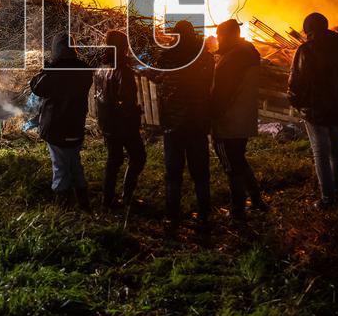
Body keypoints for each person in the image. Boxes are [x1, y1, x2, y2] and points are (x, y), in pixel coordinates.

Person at [287, 12, 338, 208]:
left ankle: (328, 199)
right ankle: (337, 192)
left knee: (321, 153)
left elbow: (296, 82)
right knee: (336, 152)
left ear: (308, 30)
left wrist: (298, 103)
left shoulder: (306, 50)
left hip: (316, 110)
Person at [153, 20, 215, 224]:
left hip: (173, 123)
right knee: (201, 173)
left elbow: (157, 77)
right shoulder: (205, 58)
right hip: (198, 122)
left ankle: (172, 217)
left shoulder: (167, 58)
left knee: (173, 173)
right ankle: (205, 215)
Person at [210, 19, 267, 220]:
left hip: (229, 122)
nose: (217, 40)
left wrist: (212, 117)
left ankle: (237, 210)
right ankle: (257, 199)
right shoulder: (248, 53)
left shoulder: (231, 60)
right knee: (239, 161)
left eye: (219, 36)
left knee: (232, 166)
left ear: (226, 35)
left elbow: (221, 94)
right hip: (243, 119)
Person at [30, 33, 95, 209]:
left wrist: (46, 69)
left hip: (56, 128)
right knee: (74, 163)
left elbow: (36, 87)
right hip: (76, 127)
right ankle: (83, 203)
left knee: (59, 167)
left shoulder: (53, 71)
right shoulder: (84, 69)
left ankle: (63, 207)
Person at [93, 30, 146, 210]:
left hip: (107, 123)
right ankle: (127, 197)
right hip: (123, 125)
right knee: (138, 157)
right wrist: (136, 113)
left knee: (113, 160)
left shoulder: (101, 68)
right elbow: (128, 102)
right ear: (122, 47)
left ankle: (107, 201)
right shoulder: (123, 71)